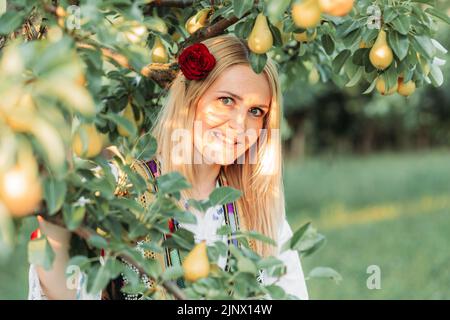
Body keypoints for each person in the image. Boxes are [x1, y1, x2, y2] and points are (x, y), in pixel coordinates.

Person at [28, 34, 309, 300]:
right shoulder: (120, 189)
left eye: (255, 111)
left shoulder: (258, 212)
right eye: (226, 100)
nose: (239, 125)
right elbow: (61, 287)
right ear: (190, 99)